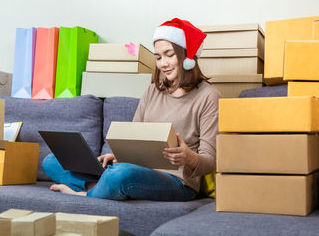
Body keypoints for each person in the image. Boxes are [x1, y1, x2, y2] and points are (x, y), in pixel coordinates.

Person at [42, 18, 221, 201]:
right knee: (51, 161)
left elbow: (210, 160)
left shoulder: (208, 96)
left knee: (120, 174)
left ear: (187, 57)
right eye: (158, 57)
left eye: (169, 54)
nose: (163, 64)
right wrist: (119, 155)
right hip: (136, 169)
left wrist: (189, 157)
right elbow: (134, 139)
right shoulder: (153, 90)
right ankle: (101, 188)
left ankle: (85, 194)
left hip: (178, 181)